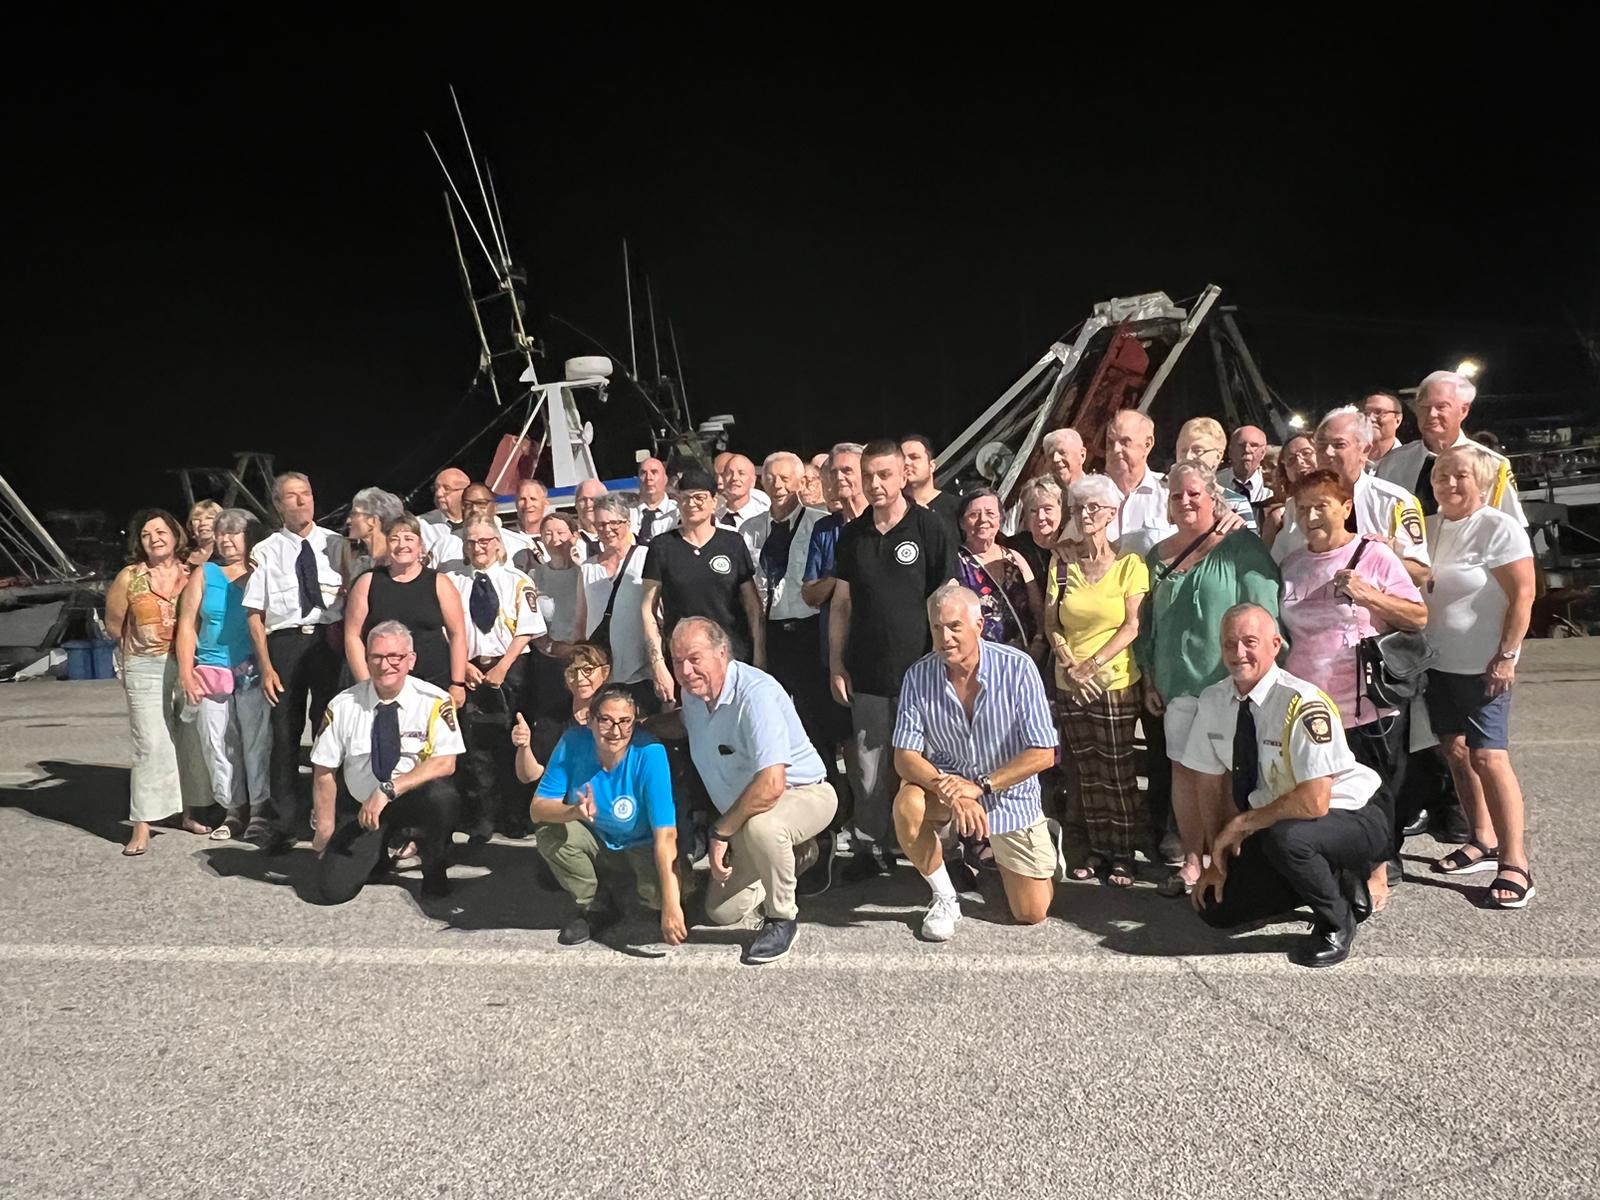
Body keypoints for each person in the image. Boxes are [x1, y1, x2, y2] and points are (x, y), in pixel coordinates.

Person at [1185, 605, 1388, 968]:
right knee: (1216, 910)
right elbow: (1208, 785)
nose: (1238, 653)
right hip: (1277, 820)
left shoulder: (1303, 702)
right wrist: (1215, 860)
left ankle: (1337, 922)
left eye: (1250, 642)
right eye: (1229, 644)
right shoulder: (1213, 701)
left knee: (1290, 840)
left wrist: (1241, 825)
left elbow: (1314, 802)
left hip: (1353, 814)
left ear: (1275, 644)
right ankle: (1331, 880)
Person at [1279, 470, 1428, 911]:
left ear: (1345, 507)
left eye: (1321, 505)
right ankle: (1329, 868)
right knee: (1319, 792)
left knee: (1374, 791)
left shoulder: (1373, 556)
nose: (1311, 516)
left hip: (1362, 701)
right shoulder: (1292, 564)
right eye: (1302, 508)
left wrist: (1366, 594)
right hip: (1307, 705)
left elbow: (1418, 617)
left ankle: (1378, 868)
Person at [1133, 461, 1282, 896]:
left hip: (1228, 685)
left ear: (1213, 497)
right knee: (1182, 770)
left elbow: (1264, 614)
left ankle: (1228, 861)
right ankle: (1192, 863)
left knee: (1222, 775)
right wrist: (1149, 676)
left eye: (1194, 493)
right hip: (1175, 684)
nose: (1185, 501)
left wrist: (1257, 678)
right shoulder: (1157, 555)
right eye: (1177, 495)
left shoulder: (1242, 547)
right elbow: (1147, 625)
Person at [892, 585, 1058, 940]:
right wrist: (953, 792)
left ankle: (1038, 844)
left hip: (1007, 793)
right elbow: (905, 757)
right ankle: (945, 897)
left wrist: (981, 785)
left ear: (979, 625)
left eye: (954, 626)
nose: (945, 637)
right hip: (950, 790)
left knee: (1031, 912)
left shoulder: (1018, 668)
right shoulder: (917, 676)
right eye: (937, 628)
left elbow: (1044, 752)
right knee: (907, 803)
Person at [829, 439, 961, 881]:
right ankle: (871, 847)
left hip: (924, 673)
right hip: (866, 671)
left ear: (905, 475)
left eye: (885, 475)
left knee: (933, 762)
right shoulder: (853, 535)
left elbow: (947, 602)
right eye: (869, 476)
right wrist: (836, 663)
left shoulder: (931, 528)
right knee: (868, 767)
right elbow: (842, 604)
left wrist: (949, 664)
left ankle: (944, 852)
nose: (875, 484)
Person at [673, 618, 837, 964]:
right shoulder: (694, 694)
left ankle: (782, 918)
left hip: (803, 794)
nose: (685, 670)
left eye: (694, 658)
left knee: (765, 828)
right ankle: (800, 855)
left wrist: (720, 832)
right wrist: (634, 729)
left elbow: (771, 785)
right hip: (746, 816)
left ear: (722, 653)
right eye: (677, 660)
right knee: (721, 912)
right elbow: (683, 723)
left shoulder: (755, 694)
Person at [1422, 445, 1537, 908]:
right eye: (1441, 476)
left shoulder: (1497, 527)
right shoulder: (1430, 528)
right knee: (1455, 751)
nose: (1448, 484)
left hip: (1483, 665)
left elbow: (1523, 594)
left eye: (1460, 476)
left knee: (1490, 757)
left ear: (1483, 482)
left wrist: (1507, 655)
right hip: (1437, 663)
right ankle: (1481, 838)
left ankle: (1517, 863)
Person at [1045, 475, 1150, 886]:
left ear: (1111, 513)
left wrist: (1092, 665)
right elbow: (1052, 623)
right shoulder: (1063, 563)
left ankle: (1122, 852)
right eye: (1077, 508)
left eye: (1093, 508)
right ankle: (1092, 848)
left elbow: (1131, 626)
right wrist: (1071, 664)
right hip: (1070, 681)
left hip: (1114, 681)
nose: (1084, 515)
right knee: (1085, 770)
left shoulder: (1129, 564)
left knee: (1117, 770)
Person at [310, 621, 464, 900]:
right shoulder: (343, 705)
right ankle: (378, 856)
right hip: (363, 806)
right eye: (377, 657)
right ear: (366, 659)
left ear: (411, 660)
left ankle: (434, 866)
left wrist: (388, 789)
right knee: (332, 890)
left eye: (395, 657)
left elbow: (446, 762)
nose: (385, 665)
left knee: (443, 796)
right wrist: (325, 826)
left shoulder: (434, 700)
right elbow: (324, 769)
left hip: (413, 799)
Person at [530, 684, 685, 947]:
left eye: (625, 722)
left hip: (642, 843)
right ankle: (593, 904)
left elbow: (666, 833)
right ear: (590, 720)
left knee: (662, 898)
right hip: (596, 838)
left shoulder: (649, 753)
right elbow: (538, 809)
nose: (616, 731)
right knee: (550, 829)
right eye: (606, 721)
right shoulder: (572, 741)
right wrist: (572, 812)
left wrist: (672, 905)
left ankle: (653, 889)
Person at [244, 472, 347, 852]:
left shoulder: (337, 544)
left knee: (329, 731)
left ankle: (329, 814)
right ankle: (285, 820)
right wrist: (266, 666)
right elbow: (255, 613)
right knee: (284, 735)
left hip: (328, 641)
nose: (302, 502)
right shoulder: (266, 551)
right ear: (278, 505)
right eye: (292, 496)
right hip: (285, 644)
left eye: (306, 494)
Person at [104, 509, 212, 855]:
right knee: (150, 744)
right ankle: (142, 824)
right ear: (140, 542)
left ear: (175, 535)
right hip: (143, 665)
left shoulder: (191, 574)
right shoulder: (129, 577)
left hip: (186, 664)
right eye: (147, 534)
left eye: (161, 531)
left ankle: (188, 812)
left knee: (188, 738)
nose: (155, 538)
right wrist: (130, 658)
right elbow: (114, 624)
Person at [175, 507, 272, 841]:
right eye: (222, 532)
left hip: (252, 667)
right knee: (217, 742)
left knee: (256, 742)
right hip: (211, 668)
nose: (228, 539)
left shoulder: (262, 570)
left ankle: (259, 809)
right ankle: (233, 810)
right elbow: (187, 624)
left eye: (235, 532)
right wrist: (187, 673)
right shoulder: (204, 573)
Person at [449, 516, 548, 840]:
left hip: (511, 667)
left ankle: (515, 815)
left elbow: (527, 629)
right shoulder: (453, 582)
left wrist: (503, 666)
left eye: (484, 541)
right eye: (471, 542)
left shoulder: (517, 580)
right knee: (476, 748)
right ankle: (482, 818)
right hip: (471, 669)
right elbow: (447, 629)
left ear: (497, 543)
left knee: (513, 740)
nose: (478, 548)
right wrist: (464, 665)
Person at [641, 466, 764, 700]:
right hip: (684, 663)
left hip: (732, 657)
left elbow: (753, 607)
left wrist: (759, 656)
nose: (692, 504)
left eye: (700, 497)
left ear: (713, 501)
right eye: (685, 498)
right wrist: (658, 665)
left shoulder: (732, 543)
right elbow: (648, 609)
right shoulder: (662, 546)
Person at [1273, 408, 1429, 586]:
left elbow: (1421, 574)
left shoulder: (1394, 502)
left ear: (1365, 449)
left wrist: (1380, 556)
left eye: (1339, 445)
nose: (1328, 453)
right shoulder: (1298, 505)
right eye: (1321, 446)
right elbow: (1278, 565)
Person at [744, 452, 828, 735]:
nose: (777, 484)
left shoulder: (820, 523)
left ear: (800, 482)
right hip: (768, 629)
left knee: (814, 717)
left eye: (784, 478)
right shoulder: (750, 529)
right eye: (770, 478)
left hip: (808, 630)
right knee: (773, 717)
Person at [344, 514, 467, 703]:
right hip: (383, 685)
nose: (402, 545)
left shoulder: (440, 582)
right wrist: (366, 683)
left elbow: (457, 634)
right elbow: (352, 636)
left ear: (420, 546)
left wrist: (457, 683)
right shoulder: (367, 582)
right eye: (394, 539)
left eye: (409, 538)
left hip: (434, 683)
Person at [1376, 370, 1526, 525]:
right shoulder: (1392, 464)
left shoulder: (1493, 466)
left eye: (1441, 406)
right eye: (1424, 407)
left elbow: (1514, 530)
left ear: (1463, 410)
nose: (1432, 414)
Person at [574, 495, 654, 710]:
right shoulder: (588, 568)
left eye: (614, 523)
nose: (607, 529)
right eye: (600, 524)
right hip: (600, 678)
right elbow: (581, 623)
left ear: (627, 523)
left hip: (641, 675)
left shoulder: (647, 557)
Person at [954, 487, 1043, 651]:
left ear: (1000, 519)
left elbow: (1037, 608)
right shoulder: (956, 563)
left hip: (1026, 657)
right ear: (962, 523)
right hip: (982, 659)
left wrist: (1039, 641)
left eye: (990, 513)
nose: (983, 520)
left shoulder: (1014, 557)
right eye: (974, 515)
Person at [527, 511, 584, 718]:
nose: (555, 539)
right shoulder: (535, 575)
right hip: (549, 662)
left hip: (583, 659)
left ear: (574, 535)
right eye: (548, 533)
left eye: (561, 532)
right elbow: (529, 620)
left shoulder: (586, 571)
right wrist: (552, 647)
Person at [1104, 409, 1176, 555]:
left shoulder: (1170, 493)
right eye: (1111, 442)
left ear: (1147, 444)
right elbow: (1065, 553)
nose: (1116, 449)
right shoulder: (1089, 495)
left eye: (1124, 442)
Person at [1175, 418, 1258, 530]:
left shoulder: (1236, 504)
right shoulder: (1160, 494)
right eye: (1183, 451)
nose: (1188, 457)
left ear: (1218, 456)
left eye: (1198, 451)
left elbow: (1251, 546)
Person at [1260, 434, 1319, 549]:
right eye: (1291, 459)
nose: (1299, 461)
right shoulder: (1279, 518)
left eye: (1306, 453)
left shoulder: (1349, 499)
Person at [1001, 476, 1063, 586]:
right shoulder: (1013, 547)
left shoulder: (1073, 543)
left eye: (1048, 509)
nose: (1041, 517)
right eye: (1033, 511)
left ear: (1060, 507)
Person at [901, 433, 961, 531]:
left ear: (931, 466)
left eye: (914, 457)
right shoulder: (891, 509)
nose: (906, 463)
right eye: (902, 459)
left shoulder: (956, 508)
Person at [345, 487, 404, 583]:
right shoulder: (360, 565)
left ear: (372, 521)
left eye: (354, 514)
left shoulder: (398, 564)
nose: (348, 521)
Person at [629, 457, 679, 545]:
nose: (649, 478)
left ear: (665, 479)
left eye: (654, 472)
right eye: (643, 473)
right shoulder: (627, 513)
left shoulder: (678, 513)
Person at [504, 478, 551, 568]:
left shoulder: (558, 538)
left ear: (545, 504)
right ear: (516, 504)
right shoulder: (505, 538)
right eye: (522, 499)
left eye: (533, 499)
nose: (528, 505)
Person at [1219, 425, 1271, 506]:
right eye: (1240, 445)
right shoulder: (1215, 483)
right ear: (1230, 451)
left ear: (1263, 453)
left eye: (1254, 445)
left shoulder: (1273, 487)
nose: (1247, 450)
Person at [715, 453, 767, 533]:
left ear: (753, 481)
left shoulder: (764, 512)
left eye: (741, 473)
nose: (734, 478)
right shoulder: (712, 515)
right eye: (729, 473)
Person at [1362, 393, 1407, 469]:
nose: (1370, 418)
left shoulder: (1410, 463)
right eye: (1366, 413)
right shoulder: (1350, 461)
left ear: (1398, 419)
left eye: (1379, 412)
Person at [573, 478, 609, 559]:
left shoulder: (617, 536)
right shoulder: (569, 538)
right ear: (576, 504)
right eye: (583, 500)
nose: (588, 504)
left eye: (593, 499)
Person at [185, 500, 223, 566]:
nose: (203, 523)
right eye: (197, 519)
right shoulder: (182, 555)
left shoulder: (227, 554)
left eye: (209, 518)